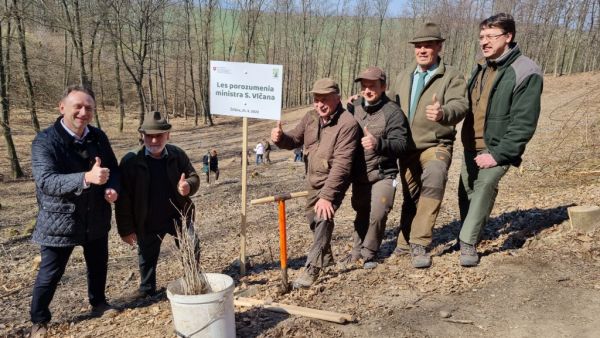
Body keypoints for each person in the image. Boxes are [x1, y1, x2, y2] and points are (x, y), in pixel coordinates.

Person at [29, 85, 120, 338]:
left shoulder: (98, 137)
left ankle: (99, 303)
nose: (83, 112)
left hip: (96, 215)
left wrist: (112, 188)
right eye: (77, 107)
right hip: (59, 220)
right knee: (50, 273)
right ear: (62, 108)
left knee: (98, 264)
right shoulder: (45, 141)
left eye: (88, 108)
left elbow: (113, 169)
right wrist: (87, 178)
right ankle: (39, 320)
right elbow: (46, 181)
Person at [458, 13, 542, 266]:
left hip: (498, 146)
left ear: (508, 37)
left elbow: (524, 122)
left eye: (491, 36)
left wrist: (498, 154)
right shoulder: (481, 67)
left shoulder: (525, 70)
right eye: (481, 36)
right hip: (471, 143)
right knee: (467, 191)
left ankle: (468, 242)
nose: (484, 42)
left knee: (484, 187)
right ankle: (470, 233)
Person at [388, 22, 468, 268]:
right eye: (419, 46)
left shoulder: (450, 75)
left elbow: (461, 105)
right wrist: (363, 104)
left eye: (428, 46)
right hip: (407, 148)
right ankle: (404, 241)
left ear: (439, 47)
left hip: (436, 143)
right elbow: (389, 106)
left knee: (434, 177)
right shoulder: (403, 76)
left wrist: (443, 112)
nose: (422, 50)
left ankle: (420, 243)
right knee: (411, 195)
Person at [271, 78, 359, 288]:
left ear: (337, 98)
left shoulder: (348, 124)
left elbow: (342, 164)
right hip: (314, 179)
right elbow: (294, 140)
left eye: (325, 99)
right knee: (312, 218)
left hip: (334, 180)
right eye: (316, 99)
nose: (320, 104)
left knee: (322, 217)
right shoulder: (311, 117)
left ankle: (313, 268)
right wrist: (280, 138)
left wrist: (328, 197)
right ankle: (327, 259)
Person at [115, 111, 200, 299]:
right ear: (142, 136)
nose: (154, 141)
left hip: (178, 215)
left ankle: (193, 279)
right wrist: (126, 229)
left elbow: (194, 176)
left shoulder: (177, 155)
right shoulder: (131, 161)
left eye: (158, 136)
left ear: (168, 135)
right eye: (149, 136)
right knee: (146, 256)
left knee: (191, 246)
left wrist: (188, 186)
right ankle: (147, 289)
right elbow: (123, 200)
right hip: (148, 219)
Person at [341, 66, 409, 269]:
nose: (367, 90)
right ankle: (356, 251)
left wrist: (378, 143)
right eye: (364, 86)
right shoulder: (356, 105)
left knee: (379, 212)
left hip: (384, 173)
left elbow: (402, 144)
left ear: (383, 87)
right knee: (361, 211)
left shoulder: (393, 112)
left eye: (372, 86)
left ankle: (369, 253)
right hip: (361, 174)